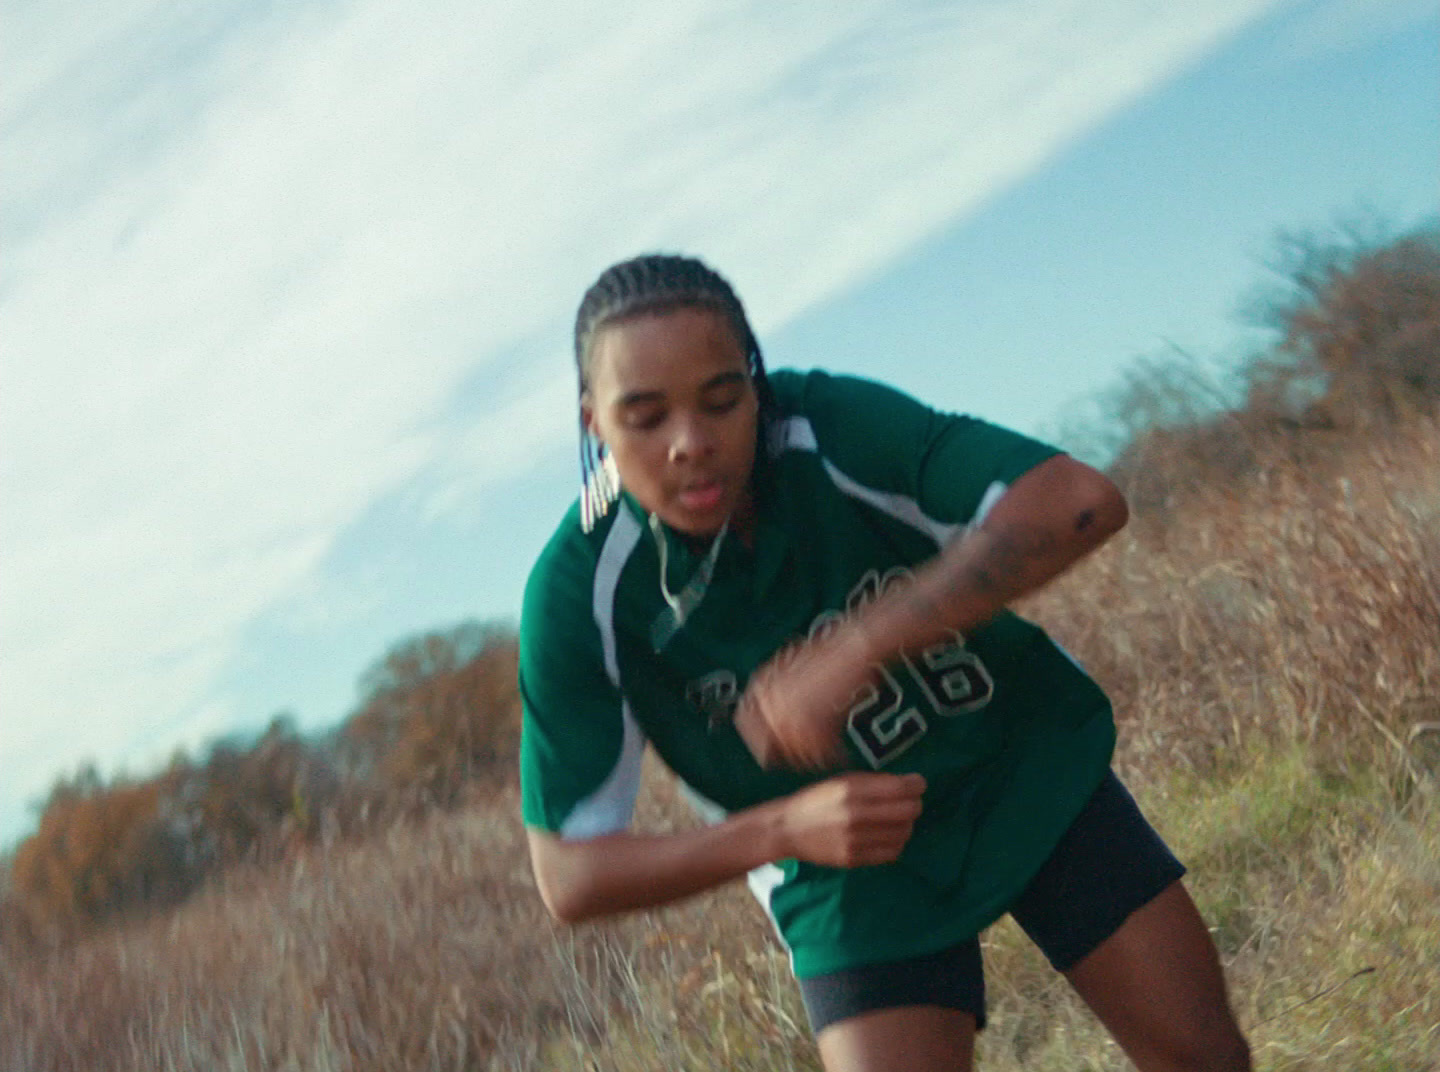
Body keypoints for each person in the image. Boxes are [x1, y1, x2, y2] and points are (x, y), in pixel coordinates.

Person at [519, 253, 1251, 1072]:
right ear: (594, 423)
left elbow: (1081, 501)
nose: (692, 443)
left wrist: (859, 644)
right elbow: (570, 877)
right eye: (645, 418)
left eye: (722, 401)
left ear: (758, 384)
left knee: (1207, 1059)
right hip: (846, 863)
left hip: (1016, 763)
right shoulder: (577, 592)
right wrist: (783, 828)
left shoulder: (826, 425)